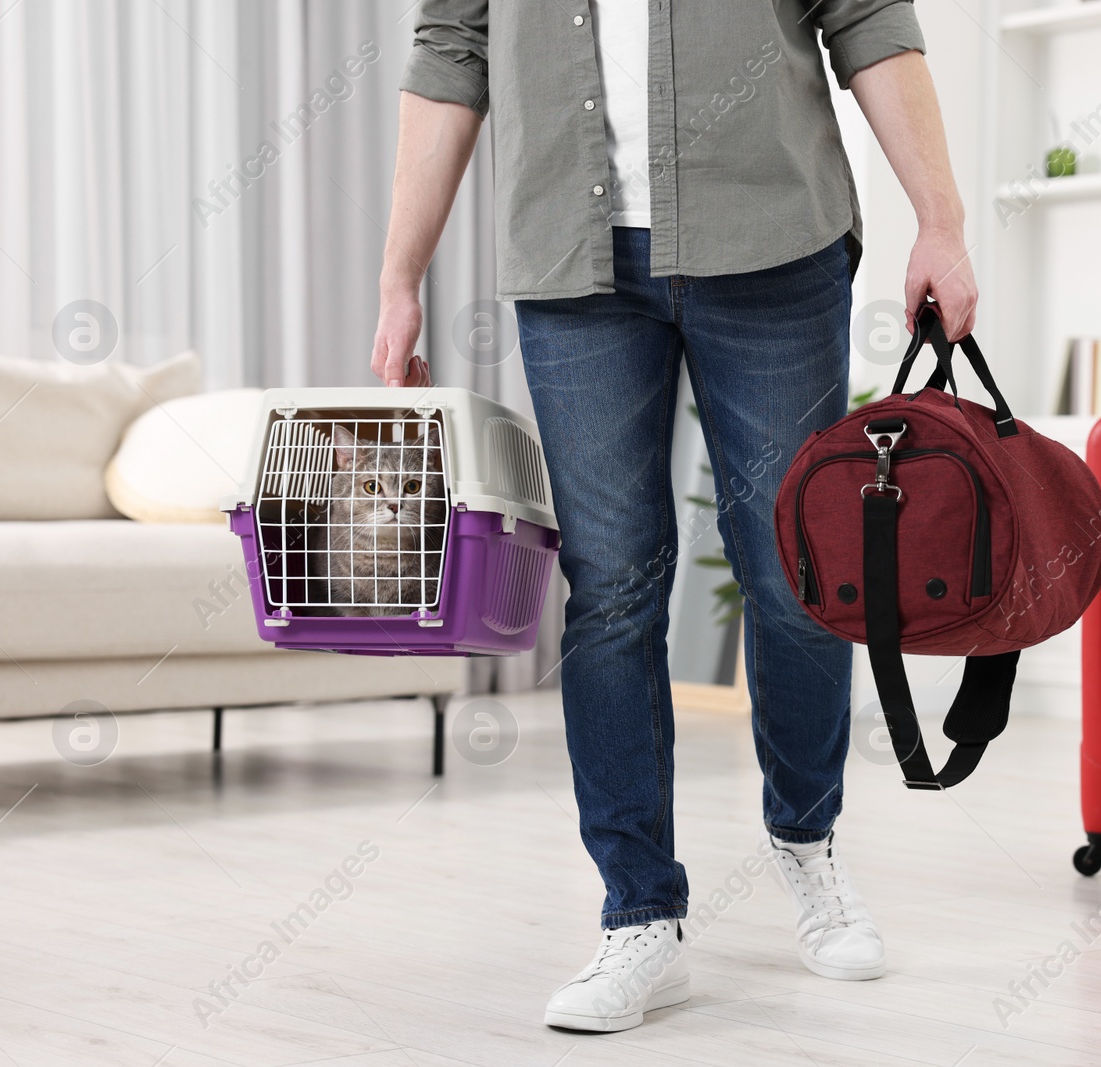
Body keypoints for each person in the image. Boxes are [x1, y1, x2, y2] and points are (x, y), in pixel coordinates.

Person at [372, 0, 978, 1033]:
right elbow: (450, 48)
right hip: (575, 257)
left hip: (775, 243)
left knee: (794, 574)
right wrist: (398, 274)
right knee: (608, 587)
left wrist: (941, 220)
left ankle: (806, 840)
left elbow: (867, 15)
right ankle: (638, 910)